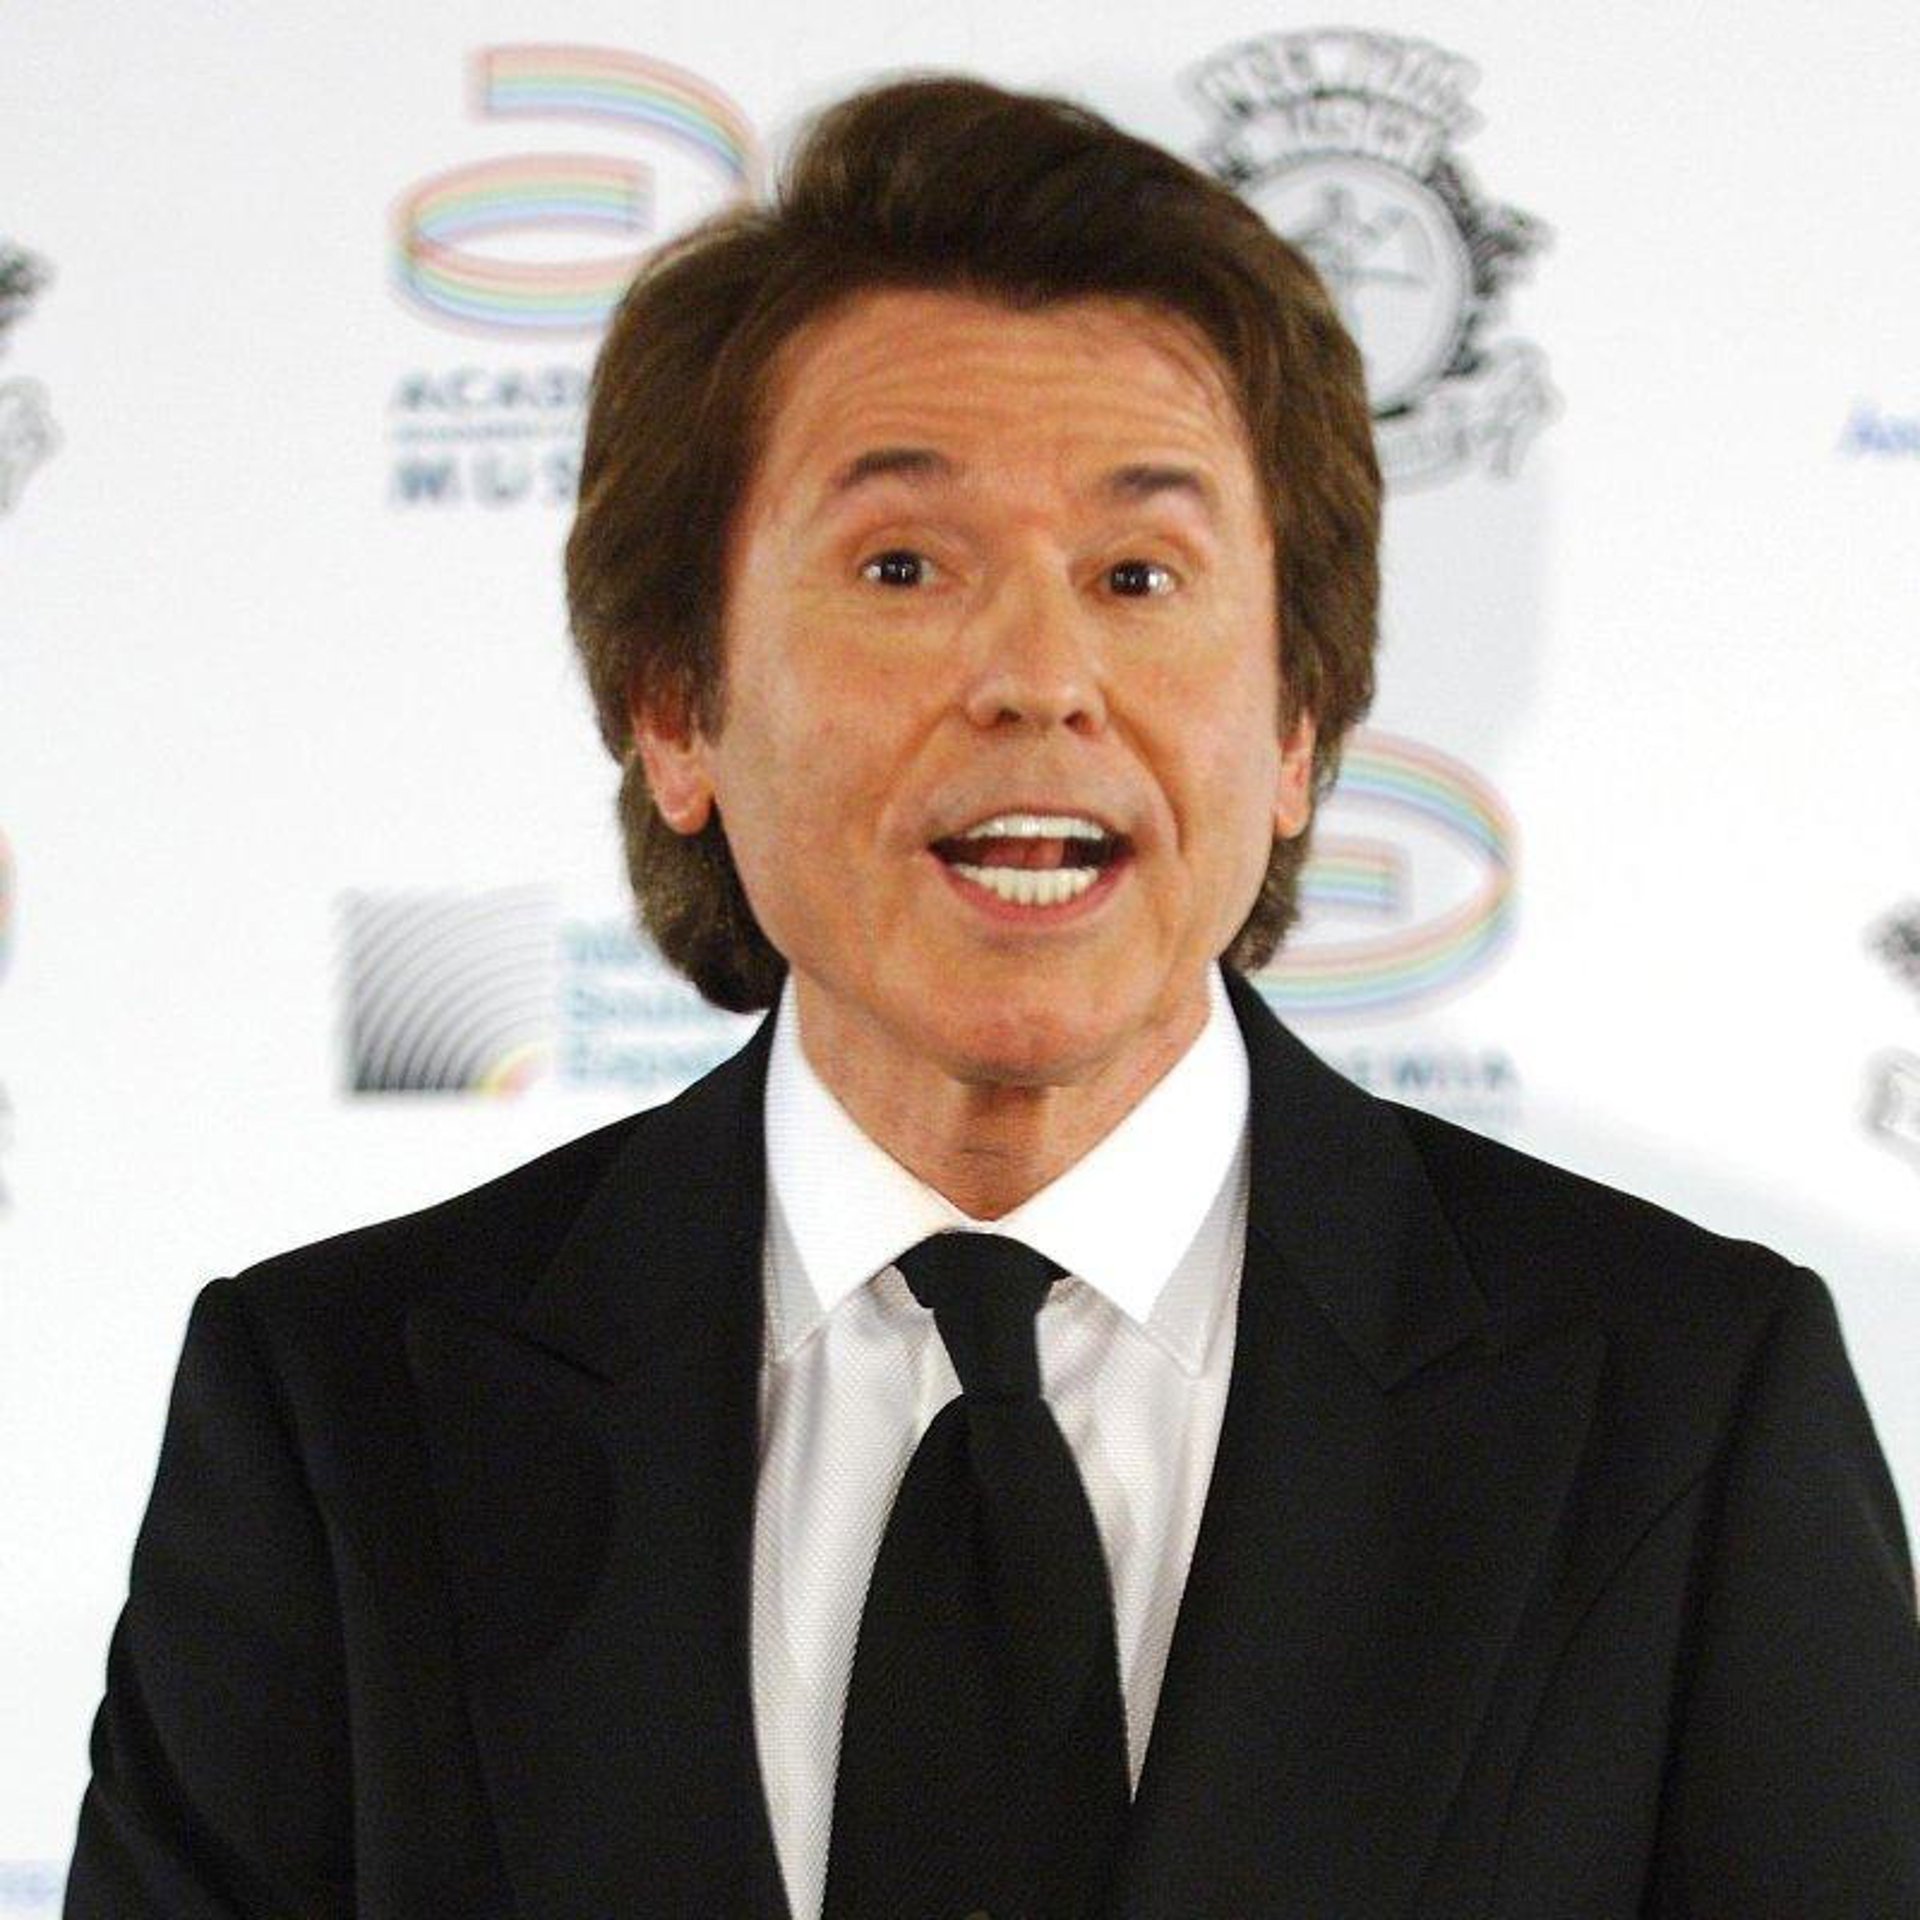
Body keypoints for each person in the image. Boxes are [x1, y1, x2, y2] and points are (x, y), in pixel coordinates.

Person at [66, 74, 1920, 1920]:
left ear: (1294, 726)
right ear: (676, 708)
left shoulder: (1682, 1410)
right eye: (903, 565)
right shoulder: (336, 1419)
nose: (1041, 675)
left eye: (1139, 573)